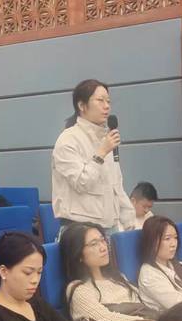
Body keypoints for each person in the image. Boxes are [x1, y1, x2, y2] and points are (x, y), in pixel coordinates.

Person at [51, 79, 134, 235]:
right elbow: (82, 183)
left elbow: (117, 186)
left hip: (111, 228)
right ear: (82, 106)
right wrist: (101, 153)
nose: (107, 106)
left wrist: (129, 222)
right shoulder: (67, 140)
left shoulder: (106, 139)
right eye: (100, 100)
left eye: (108, 101)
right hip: (80, 231)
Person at [60, 222, 158, 321]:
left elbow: (143, 306)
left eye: (103, 240)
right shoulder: (78, 289)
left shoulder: (117, 277)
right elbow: (106, 319)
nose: (103, 248)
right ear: (78, 253)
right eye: (94, 244)